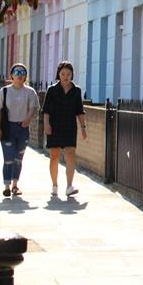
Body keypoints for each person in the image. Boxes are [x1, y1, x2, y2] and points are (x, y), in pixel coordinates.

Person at [0, 64, 41, 197]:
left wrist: (28, 119)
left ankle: (15, 185)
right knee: (8, 158)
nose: (20, 75)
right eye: (17, 72)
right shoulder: (4, 91)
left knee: (18, 158)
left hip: (22, 128)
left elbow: (33, 108)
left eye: (23, 73)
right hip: (8, 128)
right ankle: (6, 185)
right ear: (12, 75)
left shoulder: (30, 92)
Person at [43, 61, 86, 197]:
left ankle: (69, 186)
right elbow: (46, 110)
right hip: (54, 126)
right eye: (63, 74)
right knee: (54, 156)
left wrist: (83, 127)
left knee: (70, 155)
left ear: (72, 74)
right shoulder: (52, 90)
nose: (66, 76)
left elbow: (80, 111)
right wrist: (46, 124)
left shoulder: (76, 90)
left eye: (68, 74)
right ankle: (55, 185)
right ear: (58, 74)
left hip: (69, 127)